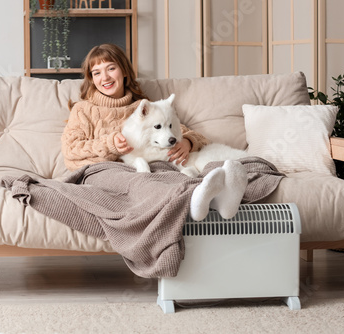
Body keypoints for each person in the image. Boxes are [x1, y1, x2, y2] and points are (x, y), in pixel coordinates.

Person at [61, 43, 249, 221]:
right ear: (91, 78)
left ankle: (216, 194)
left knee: (171, 173)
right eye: (96, 72)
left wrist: (187, 142)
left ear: (124, 71)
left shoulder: (144, 108)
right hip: (106, 172)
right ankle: (200, 199)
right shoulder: (83, 110)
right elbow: (71, 150)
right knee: (143, 182)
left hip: (149, 167)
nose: (105, 77)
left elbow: (183, 132)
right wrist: (110, 144)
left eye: (111, 68)